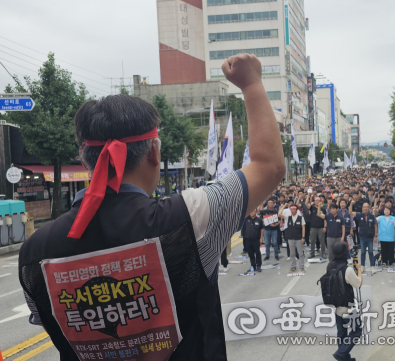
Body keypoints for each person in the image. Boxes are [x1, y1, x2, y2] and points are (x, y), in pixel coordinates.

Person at [18, 54, 286, 360]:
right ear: (154, 153)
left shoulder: (33, 254)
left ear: (83, 160)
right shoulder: (191, 216)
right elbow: (269, 167)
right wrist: (251, 83)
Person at [329, 242, 363, 361]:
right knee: (357, 331)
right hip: (347, 307)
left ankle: (345, 358)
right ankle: (340, 353)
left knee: (342, 333)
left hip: (335, 305)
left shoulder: (330, 265)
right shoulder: (347, 270)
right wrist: (358, 269)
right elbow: (358, 284)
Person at [279, 204, 306, 272]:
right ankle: (293, 267)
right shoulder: (288, 217)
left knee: (300, 253)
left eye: (294, 209)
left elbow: (303, 227)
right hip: (290, 238)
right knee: (292, 253)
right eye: (291, 209)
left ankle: (302, 267)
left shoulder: (300, 218)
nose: (292, 211)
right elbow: (279, 214)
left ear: (296, 210)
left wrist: (303, 237)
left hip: (299, 238)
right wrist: (283, 206)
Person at [353, 202, 377, 271]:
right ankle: (362, 266)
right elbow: (350, 213)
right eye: (364, 207)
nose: (365, 208)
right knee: (363, 252)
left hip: (370, 237)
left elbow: (375, 226)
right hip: (362, 237)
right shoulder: (359, 215)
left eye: (367, 207)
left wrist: (375, 236)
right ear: (362, 208)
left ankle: (372, 266)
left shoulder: (372, 216)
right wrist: (351, 204)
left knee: (370, 252)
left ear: (369, 208)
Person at [242, 208, 264, 272]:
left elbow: (261, 229)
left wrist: (261, 238)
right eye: (251, 212)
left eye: (253, 212)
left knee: (257, 253)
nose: (252, 213)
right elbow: (243, 229)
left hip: (256, 240)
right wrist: (244, 238)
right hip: (248, 240)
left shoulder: (259, 220)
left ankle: (259, 266)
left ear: (256, 212)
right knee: (250, 253)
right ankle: (253, 266)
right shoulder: (246, 220)